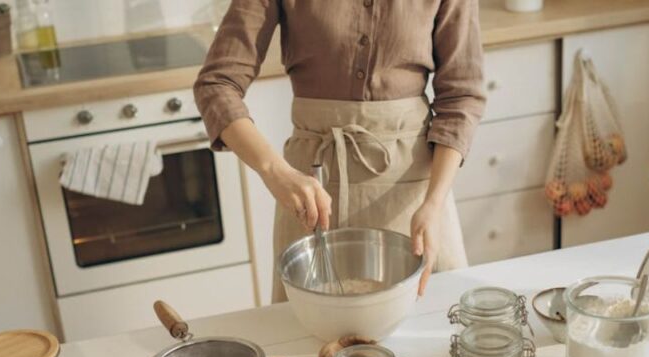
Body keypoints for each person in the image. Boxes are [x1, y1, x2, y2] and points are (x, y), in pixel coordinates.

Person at [194, 0, 486, 299]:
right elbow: (216, 84)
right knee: (307, 338)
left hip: (418, 199)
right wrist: (275, 172)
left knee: (436, 325)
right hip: (310, 193)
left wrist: (433, 204)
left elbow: (461, 95)